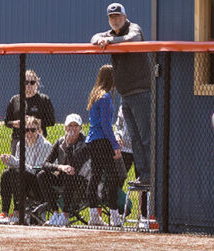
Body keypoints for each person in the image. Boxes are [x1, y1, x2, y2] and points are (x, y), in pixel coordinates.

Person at [91, 2, 153, 188]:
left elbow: (134, 38)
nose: (115, 20)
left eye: (118, 16)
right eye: (112, 17)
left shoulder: (133, 28)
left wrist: (109, 41)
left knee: (146, 137)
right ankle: (144, 175)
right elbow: (94, 38)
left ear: (124, 17)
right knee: (134, 137)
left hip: (142, 92)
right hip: (125, 95)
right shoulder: (111, 33)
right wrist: (105, 39)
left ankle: (152, 174)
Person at [84, 64, 124, 227]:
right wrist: (114, 144)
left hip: (92, 140)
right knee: (113, 177)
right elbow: (106, 124)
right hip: (102, 141)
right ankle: (114, 215)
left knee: (95, 176)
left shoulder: (95, 95)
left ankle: (93, 214)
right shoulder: (106, 97)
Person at [0, 116, 52, 224]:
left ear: (39, 130)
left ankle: (18, 212)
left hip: (38, 181)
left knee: (18, 173)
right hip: (23, 175)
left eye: (33, 130)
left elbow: (37, 169)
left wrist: (16, 162)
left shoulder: (45, 145)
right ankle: (5, 213)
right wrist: (9, 161)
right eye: (26, 130)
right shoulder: (20, 144)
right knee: (6, 174)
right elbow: (17, 165)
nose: (29, 133)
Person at [38, 113, 91, 227]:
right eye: (70, 126)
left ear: (81, 128)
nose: (72, 128)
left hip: (79, 179)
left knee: (70, 173)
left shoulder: (85, 143)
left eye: (75, 126)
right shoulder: (60, 142)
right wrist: (59, 167)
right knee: (42, 175)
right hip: (63, 174)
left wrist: (69, 146)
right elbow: (45, 164)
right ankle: (56, 213)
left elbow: (75, 165)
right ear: (65, 128)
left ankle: (65, 215)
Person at [2, 69, 55, 154]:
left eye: (32, 82)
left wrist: (34, 122)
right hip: (18, 138)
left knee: (38, 165)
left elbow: (51, 121)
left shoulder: (43, 99)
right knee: (17, 165)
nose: (29, 85)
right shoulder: (15, 100)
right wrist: (14, 123)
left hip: (38, 138)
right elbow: (7, 121)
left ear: (36, 84)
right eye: (26, 82)